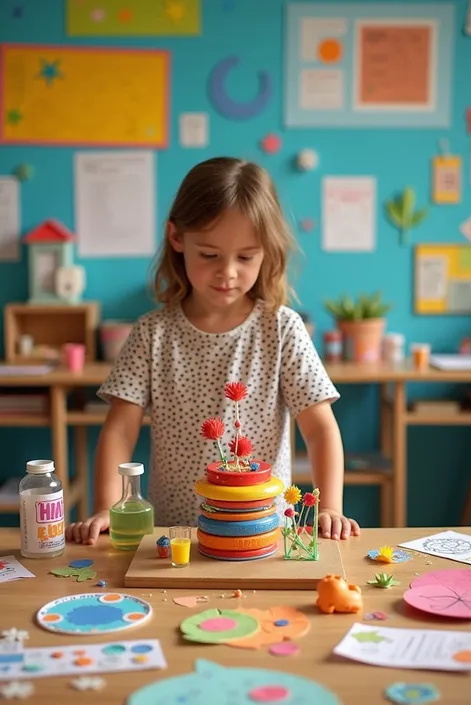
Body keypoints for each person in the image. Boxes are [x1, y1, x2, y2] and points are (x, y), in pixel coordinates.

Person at [66, 157, 360, 545]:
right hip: (176, 536)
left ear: (266, 251)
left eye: (246, 256)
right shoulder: (152, 333)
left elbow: (320, 429)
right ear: (176, 238)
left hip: (263, 533)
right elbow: (120, 429)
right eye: (209, 255)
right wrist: (108, 506)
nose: (228, 272)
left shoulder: (283, 328)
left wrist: (329, 507)